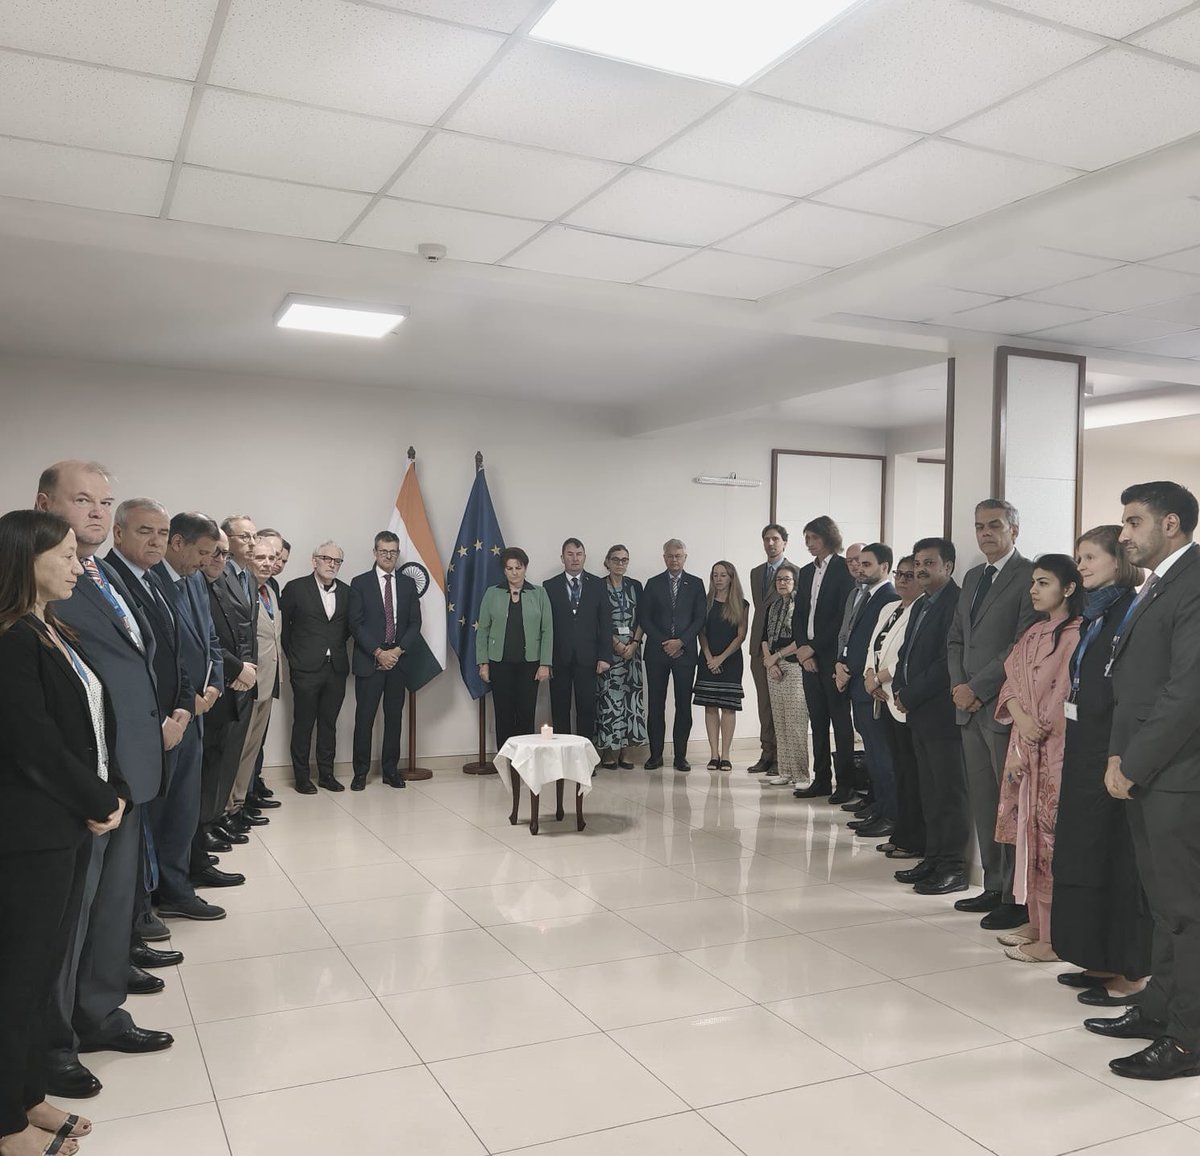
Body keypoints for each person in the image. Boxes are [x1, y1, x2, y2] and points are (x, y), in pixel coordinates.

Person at [36, 461, 173, 1099]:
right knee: (71, 916)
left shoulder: (105, 575)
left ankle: (99, 1013)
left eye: (104, 501)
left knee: (113, 908)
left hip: (129, 771)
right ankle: (52, 1041)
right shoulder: (38, 580)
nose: (95, 512)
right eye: (82, 500)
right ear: (46, 504)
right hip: (83, 784)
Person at [0, 511, 127, 1156]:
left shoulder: (54, 631)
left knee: (42, 968)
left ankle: (25, 1095)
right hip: (29, 833)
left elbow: (86, 726)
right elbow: (35, 746)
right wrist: (98, 797)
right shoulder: (11, 639)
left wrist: (102, 793)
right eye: (67, 553)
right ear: (27, 560)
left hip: (66, 825)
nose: (79, 563)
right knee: (16, 976)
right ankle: (4, 1124)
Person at [1087, 481, 1200, 1082]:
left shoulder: (1195, 582)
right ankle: (1159, 1008)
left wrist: (1133, 763)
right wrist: (1116, 755)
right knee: (1164, 907)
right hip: (1144, 768)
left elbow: (1187, 694)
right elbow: (1129, 683)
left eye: (1132, 523)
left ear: (1172, 524)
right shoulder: (1157, 585)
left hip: (1179, 776)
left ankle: (1189, 1039)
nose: (1124, 535)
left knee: (1187, 911)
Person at [1052, 526, 1151, 1003]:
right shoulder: (1093, 613)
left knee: (1117, 855)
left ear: (1119, 560)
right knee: (1084, 849)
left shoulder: (1132, 608)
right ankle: (1099, 954)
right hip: (1083, 742)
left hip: (1113, 747)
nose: (1082, 565)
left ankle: (1131, 970)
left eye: (1091, 556)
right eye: (1079, 557)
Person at [946, 499, 1040, 930]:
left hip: (1001, 706)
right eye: (979, 526)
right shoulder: (971, 576)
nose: (985, 533)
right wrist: (957, 687)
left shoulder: (1028, 577)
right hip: (967, 707)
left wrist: (977, 688)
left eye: (995, 525)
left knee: (1009, 805)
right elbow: (955, 640)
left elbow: (1019, 645)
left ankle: (1014, 895)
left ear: (1014, 530)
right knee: (984, 802)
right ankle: (992, 883)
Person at [993, 554, 1083, 963]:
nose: (1034, 590)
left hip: (1054, 750)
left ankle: (1052, 936)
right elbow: (1009, 682)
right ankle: (1033, 919)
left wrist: (1034, 725)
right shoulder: (1032, 632)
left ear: (1068, 588)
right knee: (1025, 834)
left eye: (1043, 583)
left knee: (1048, 839)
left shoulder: (1076, 635)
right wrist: (1021, 720)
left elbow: (1063, 694)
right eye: (1033, 582)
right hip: (1022, 742)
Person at [148, 512, 232, 916]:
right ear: (177, 543)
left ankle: (180, 882)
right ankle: (167, 890)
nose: (205, 561)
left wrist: (213, 683)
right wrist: (186, 699)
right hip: (172, 714)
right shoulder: (153, 582)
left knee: (185, 807)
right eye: (201, 552)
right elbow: (165, 653)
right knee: (166, 810)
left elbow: (209, 639)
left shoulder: (194, 580)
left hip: (198, 707)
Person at [893, 539, 970, 895]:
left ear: (948, 567)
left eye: (930, 563)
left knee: (949, 793)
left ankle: (952, 866)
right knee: (930, 791)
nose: (921, 569)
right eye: (918, 563)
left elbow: (945, 663)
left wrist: (910, 693)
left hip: (941, 714)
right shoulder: (923, 603)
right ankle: (933, 858)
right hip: (919, 714)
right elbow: (907, 652)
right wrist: (899, 687)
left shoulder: (954, 602)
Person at [198, 530, 256, 856]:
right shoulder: (192, 586)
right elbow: (206, 641)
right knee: (208, 766)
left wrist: (243, 669)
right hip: (210, 689)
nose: (219, 559)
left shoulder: (221, 583)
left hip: (231, 683)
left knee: (220, 761)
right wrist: (236, 670)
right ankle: (202, 833)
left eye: (223, 553)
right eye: (214, 552)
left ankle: (210, 823)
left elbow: (238, 632)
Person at [348, 532, 421, 791]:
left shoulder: (407, 584)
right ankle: (360, 772)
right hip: (371, 660)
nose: (388, 556)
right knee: (364, 718)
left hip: (398, 662)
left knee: (394, 719)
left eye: (393, 552)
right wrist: (379, 652)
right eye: (383, 551)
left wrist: (397, 651)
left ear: (398, 553)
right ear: (375, 552)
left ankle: (391, 770)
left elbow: (415, 623)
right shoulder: (360, 583)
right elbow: (355, 624)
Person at [792, 516, 857, 802]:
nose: (809, 544)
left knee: (840, 721)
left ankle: (845, 783)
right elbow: (799, 615)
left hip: (832, 657)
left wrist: (814, 648)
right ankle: (821, 779)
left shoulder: (844, 569)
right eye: (806, 538)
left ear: (828, 537)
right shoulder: (806, 572)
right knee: (817, 721)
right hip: (808, 658)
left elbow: (842, 618)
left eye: (813, 538)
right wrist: (803, 650)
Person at [836, 543, 898, 837]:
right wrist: (841, 663)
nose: (860, 569)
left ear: (885, 567)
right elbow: (851, 637)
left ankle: (889, 812)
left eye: (867, 564)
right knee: (872, 754)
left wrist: (865, 674)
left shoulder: (889, 597)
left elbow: (880, 647)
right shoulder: (864, 595)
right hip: (857, 682)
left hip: (872, 686)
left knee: (881, 754)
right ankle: (877, 806)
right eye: (859, 564)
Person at [280, 541, 351, 793]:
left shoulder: (347, 592)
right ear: (314, 560)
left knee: (329, 724)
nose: (332, 564)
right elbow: (283, 628)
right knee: (303, 723)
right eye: (327, 558)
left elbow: (347, 630)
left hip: (336, 669)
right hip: (305, 669)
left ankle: (326, 774)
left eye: (337, 561)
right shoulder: (295, 588)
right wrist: (294, 658)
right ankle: (301, 777)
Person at [863, 554, 921, 859]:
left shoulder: (920, 610)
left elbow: (906, 657)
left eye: (909, 576)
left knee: (908, 771)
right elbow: (874, 646)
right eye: (899, 574)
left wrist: (880, 678)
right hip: (878, 694)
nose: (901, 580)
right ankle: (896, 827)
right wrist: (868, 675)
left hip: (896, 695)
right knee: (890, 762)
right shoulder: (889, 607)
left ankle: (908, 833)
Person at [476, 547, 552, 750]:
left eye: (518, 567)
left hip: (530, 664)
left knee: (527, 713)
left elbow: (547, 630)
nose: (514, 572)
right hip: (500, 664)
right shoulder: (492, 593)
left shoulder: (539, 593)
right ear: (504, 570)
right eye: (509, 568)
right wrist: (483, 663)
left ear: (525, 568)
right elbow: (482, 630)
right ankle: (506, 760)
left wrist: (545, 663)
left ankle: (524, 760)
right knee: (503, 713)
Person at [641, 539, 707, 772]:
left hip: (685, 653)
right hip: (657, 654)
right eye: (670, 555)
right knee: (656, 705)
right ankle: (655, 755)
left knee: (683, 705)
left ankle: (681, 756)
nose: (674, 559)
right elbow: (645, 618)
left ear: (685, 557)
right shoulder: (653, 583)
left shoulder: (696, 584)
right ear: (664, 557)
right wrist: (664, 642)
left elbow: (700, 618)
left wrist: (680, 642)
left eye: (678, 555)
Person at [226, 539, 280, 824]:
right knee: (237, 750)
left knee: (251, 750)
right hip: (246, 683)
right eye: (261, 557)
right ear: (249, 558)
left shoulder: (270, 591)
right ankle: (226, 808)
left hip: (268, 684)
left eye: (272, 558)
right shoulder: (240, 588)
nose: (268, 563)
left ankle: (239, 803)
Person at [542, 539, 612, 743]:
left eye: (578, 554)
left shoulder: (598, 584)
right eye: (570, 554)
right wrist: (545, 660)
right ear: (562, 557)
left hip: (588, 658)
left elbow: (605, 622)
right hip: (559, 658)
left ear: (584, 557)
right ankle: (562, 758)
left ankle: (583, 758)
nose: (574, 558)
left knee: (586, 709)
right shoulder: (550, 585)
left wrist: (605, 656)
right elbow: (546, 626)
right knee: (560, 709)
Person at [747, 525, 797, 775]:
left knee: (783, 706)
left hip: (784, 649)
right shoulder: (757, 573)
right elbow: (760, 610)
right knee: (764, 704)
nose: (770, 543)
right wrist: (763, 651)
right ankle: (767, 753)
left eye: (775, 539)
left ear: (785, 542)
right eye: (766, 539)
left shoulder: (796, 572)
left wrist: (776, 655)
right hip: (760, 646)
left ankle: (782, 758)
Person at [594, 545, 646, 769]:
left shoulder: (635, 586)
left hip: (632, 653)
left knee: (630, 701)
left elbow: (643, 617)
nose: (620, 564)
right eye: (616, 560)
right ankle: (608, 751)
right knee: (608, 701)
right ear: (607, 562)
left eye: (625, 560)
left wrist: (634, 643)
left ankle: (625, 751)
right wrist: (615, 643)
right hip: (608, 653)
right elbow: (595, 619)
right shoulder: (597, 586)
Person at [694, 561, 748, 771]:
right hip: (708, 658)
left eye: (723, 575)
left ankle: (725, 755)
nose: (718, 579)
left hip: (731, 660)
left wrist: (721, 659)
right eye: (715, 575)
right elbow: (701, 632)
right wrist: (709, 657)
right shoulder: (705, 602)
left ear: (731, 578)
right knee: (710, 706)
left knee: (728, 707)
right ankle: (713, 754)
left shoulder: (741, 604)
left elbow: (741, 636)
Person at [761, 566, 810, 787]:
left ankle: (801, 775)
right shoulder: (773, 606)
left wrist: (777, 656)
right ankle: (785, 771)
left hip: (793, 666)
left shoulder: (801, 605)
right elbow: (763, 637)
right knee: (779, 721)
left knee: (796, 722)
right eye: (779, 579)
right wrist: (769, 660)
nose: (782, 583)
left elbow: (801, 639)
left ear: (795, 581)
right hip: (773, 667)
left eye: (787, 579)